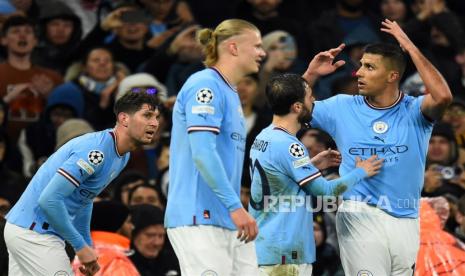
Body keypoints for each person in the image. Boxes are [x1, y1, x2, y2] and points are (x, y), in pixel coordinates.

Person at [304, 19, 453, 275]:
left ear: (392, 76)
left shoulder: (415, 110)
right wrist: (311, 75)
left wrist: (409, 47)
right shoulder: (341, 107)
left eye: (369, 67)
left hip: (406, 218)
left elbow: (443, 96)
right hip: (358, 213)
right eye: (360, 65)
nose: (358, 72)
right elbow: (291, 109)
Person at [3, 88, 161, 276]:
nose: (154, 123)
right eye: (147, 115)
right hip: (35, 233)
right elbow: (49, 200)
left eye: (157, 117)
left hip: (26, 230)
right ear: (124, 119)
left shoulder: (122, 156)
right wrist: (79, 246)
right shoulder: (95, 151)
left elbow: (84, 199)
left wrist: (87, 245)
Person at [249, 73, 382, 275]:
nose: (314, 101)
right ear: (297, 107)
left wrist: (311, 166)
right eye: (310, 97)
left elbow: (278, 181)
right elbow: (325, 192)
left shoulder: (264, 136)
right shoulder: (290, 145)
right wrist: (361, 172)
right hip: (286, 250)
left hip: (267, 243)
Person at [165, 18, 266, 275]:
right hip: (199, 215)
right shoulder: (205, 84)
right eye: (256, 46)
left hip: (229, 219)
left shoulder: (230, 91)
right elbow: (202, 153)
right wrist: (236, 206)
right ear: (233, 48)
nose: (262, 53)